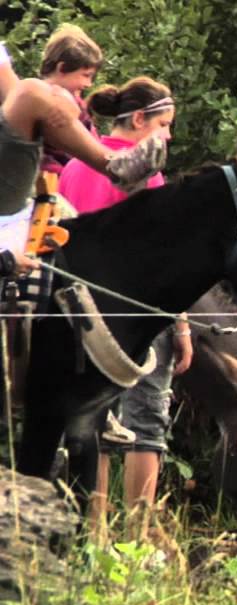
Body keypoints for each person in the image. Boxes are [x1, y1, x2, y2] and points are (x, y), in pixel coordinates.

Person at [58, 76, 191, 529]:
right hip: (139, 316)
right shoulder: (144, 171)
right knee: (146, 423)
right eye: (164, 124)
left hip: (83, 315)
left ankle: (93, 534)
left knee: (94, 419)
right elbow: (164, 255)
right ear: (138, 120)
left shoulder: (77, 164)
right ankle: (138, 535)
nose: (167, 136)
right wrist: (181, 325)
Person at [0, 38, 165, 216]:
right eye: (86, 75)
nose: (88, 84)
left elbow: (16, 96)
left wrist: (52, 103)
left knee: (31, 92)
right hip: (47, 177)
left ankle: (115, 167)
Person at [37, 24, 102, 176]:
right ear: (62, 68)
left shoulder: (79, 105)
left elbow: (94, 145)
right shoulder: (34, 100)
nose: (89, 84)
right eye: (86, 75)